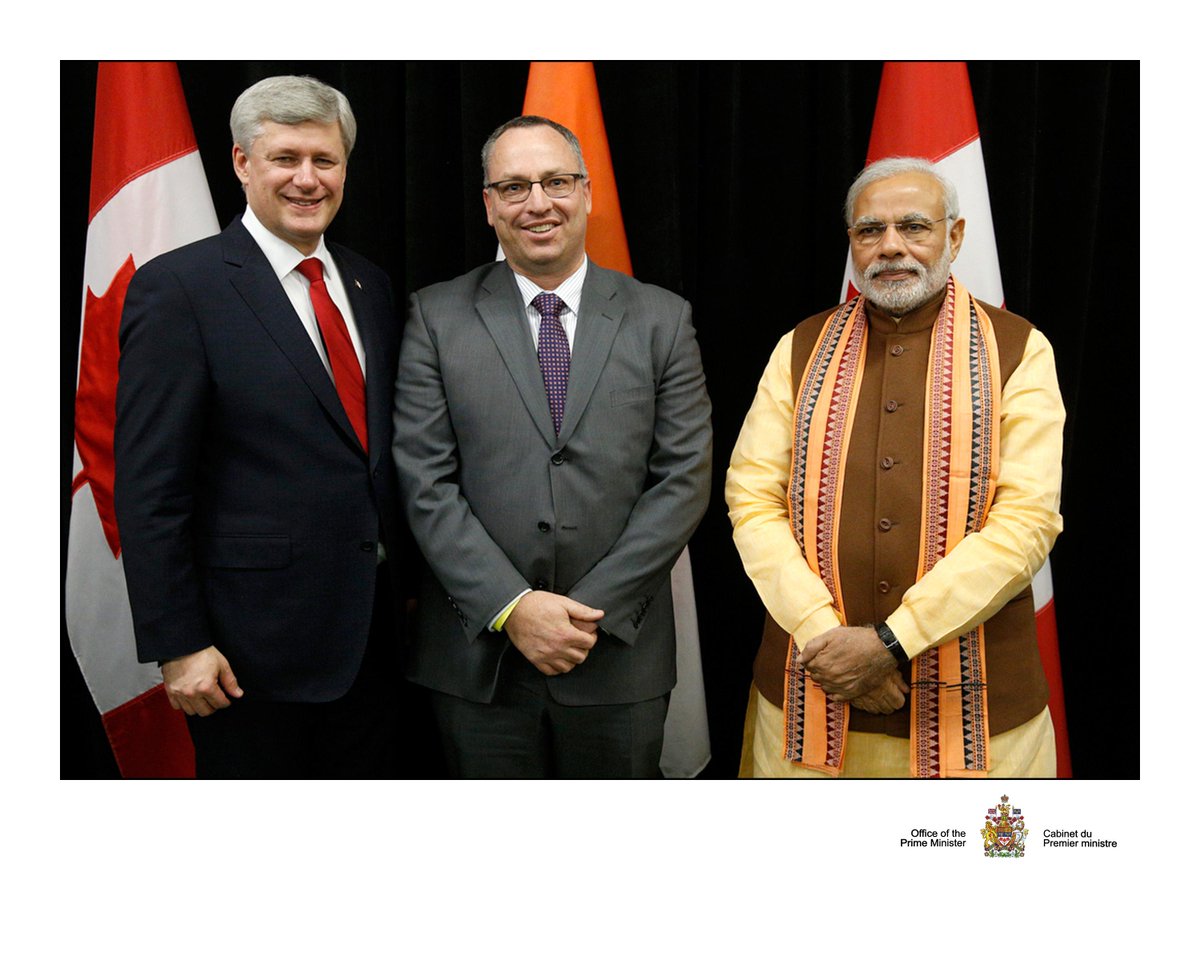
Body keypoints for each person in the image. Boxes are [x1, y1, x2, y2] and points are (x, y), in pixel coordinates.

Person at [392, 115, 712, 778]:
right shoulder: (436, 315)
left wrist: (587, 615)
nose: (538, 203)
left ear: (588, 193)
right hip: (479, 663)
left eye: (556, 181)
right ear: (488, 205)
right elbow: (424, 480)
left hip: (617, 655)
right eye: (513, 187)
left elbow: (683, 479)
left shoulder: (662, 317)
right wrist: (513, 607)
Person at [726, 156, 1064, 778]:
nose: (891, 248)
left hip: (980, 710)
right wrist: (828, 641)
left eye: (914, 227)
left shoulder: (1019, 349)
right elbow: (751, 498)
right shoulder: (799, 346)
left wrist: (891, 643)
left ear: (955, 237)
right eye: (869, 231)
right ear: (851, 243)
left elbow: (1027, 522)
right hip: (810, 689)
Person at [114, 75, 406, 777]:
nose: (308, 179)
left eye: (324, 160)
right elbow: (150, 486)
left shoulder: (370, 284)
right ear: (243, 163)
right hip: (247, 656)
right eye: (285, 158)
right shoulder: (180, 288)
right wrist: (178, 642)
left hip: (378, 641)